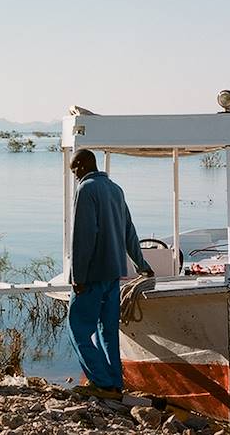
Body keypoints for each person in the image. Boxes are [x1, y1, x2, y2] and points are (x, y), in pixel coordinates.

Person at [67, 149, 153, 399]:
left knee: (78, 329)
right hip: (114, 274)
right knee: (107, 331)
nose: (74, 176)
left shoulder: (86, 190)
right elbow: (129, 231)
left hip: (92, 275)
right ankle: (116, 383)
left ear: (83, 165)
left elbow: (83, 237)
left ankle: (102, 383)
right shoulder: (116, 190)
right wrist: (141, 263)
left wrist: (77, 277)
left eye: (74, 170)